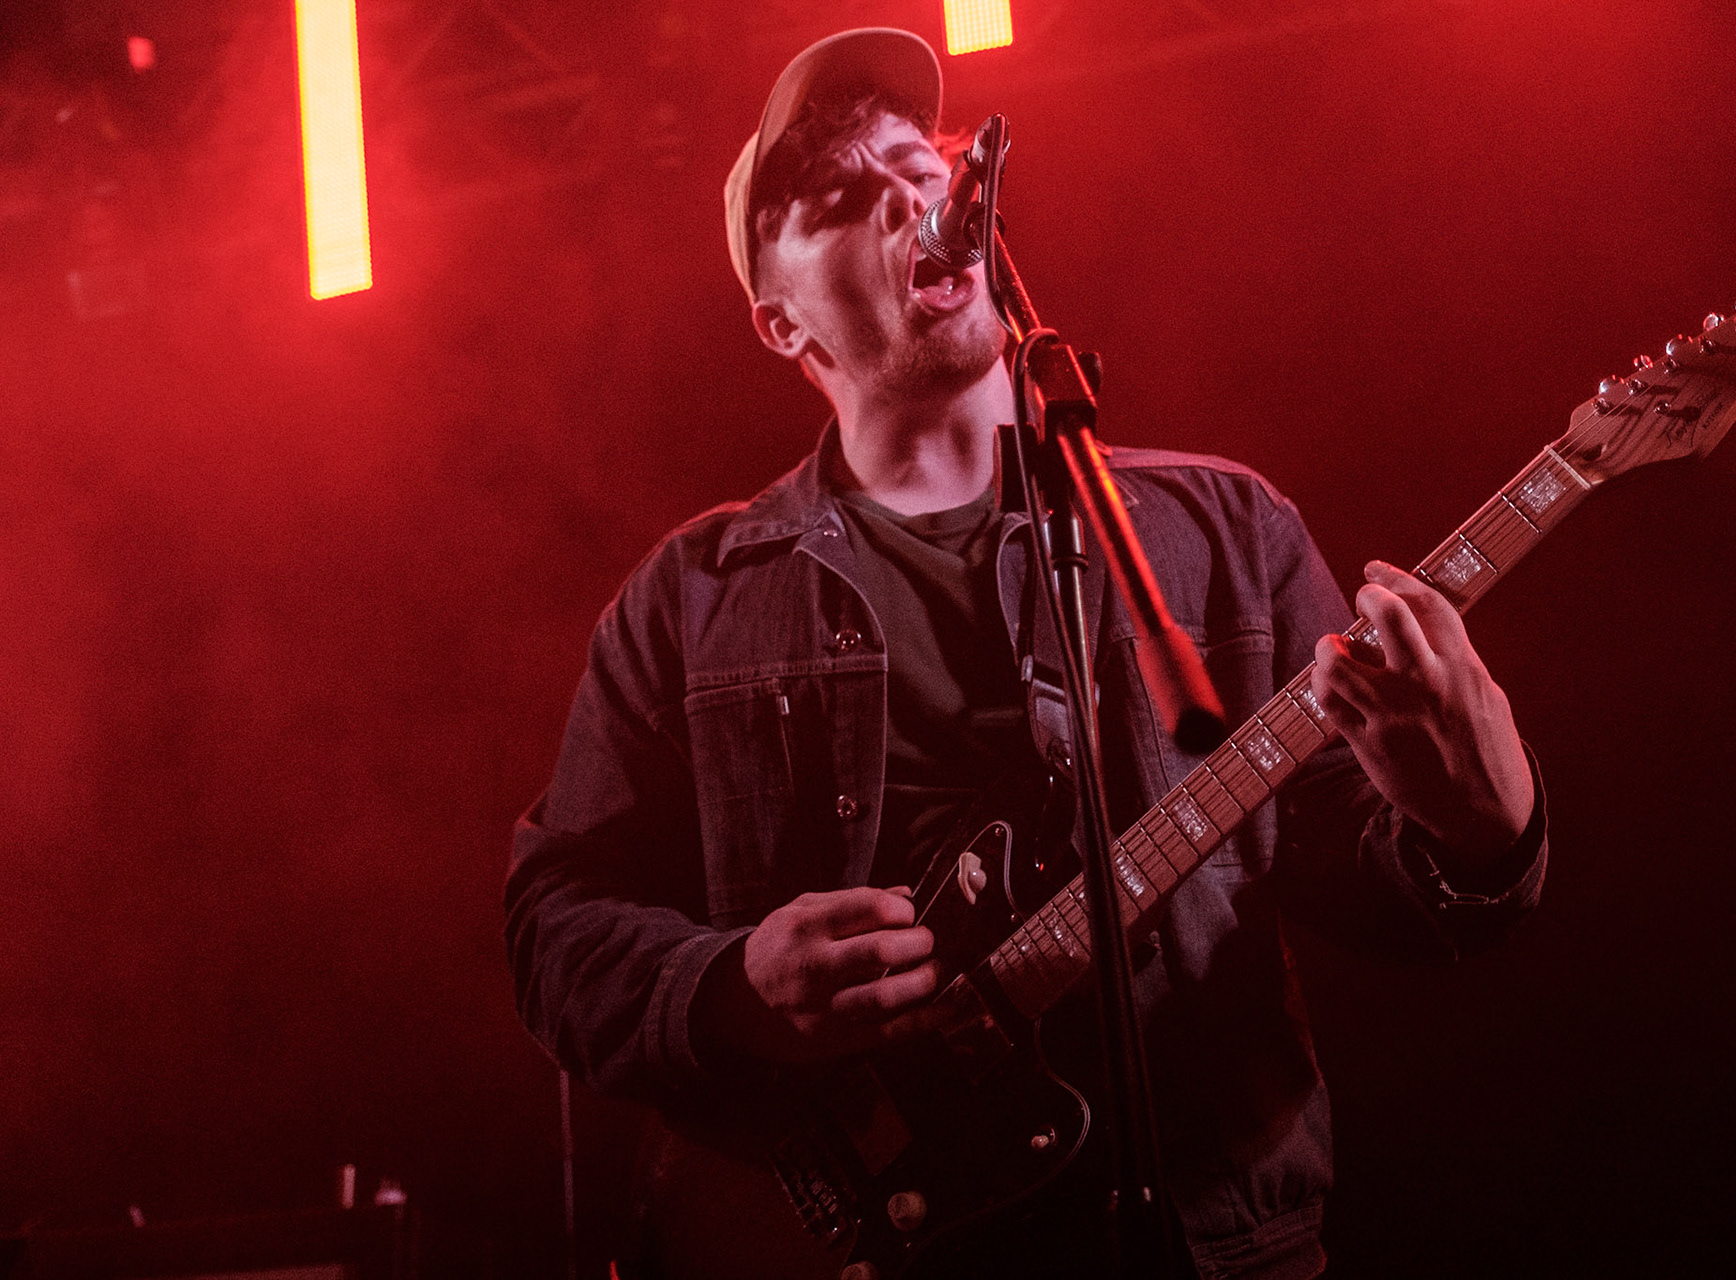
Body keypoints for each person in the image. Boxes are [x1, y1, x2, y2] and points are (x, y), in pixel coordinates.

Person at [505, 27, 1547, 1280]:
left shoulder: (1218, 534)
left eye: (918, 168)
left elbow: (1385, 888)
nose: (908, 198)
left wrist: (1484, 827)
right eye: (843, 199)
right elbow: (555, 925)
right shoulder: (691, 599)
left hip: (1205, 1248)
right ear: (779, 324)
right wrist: (731, 985)